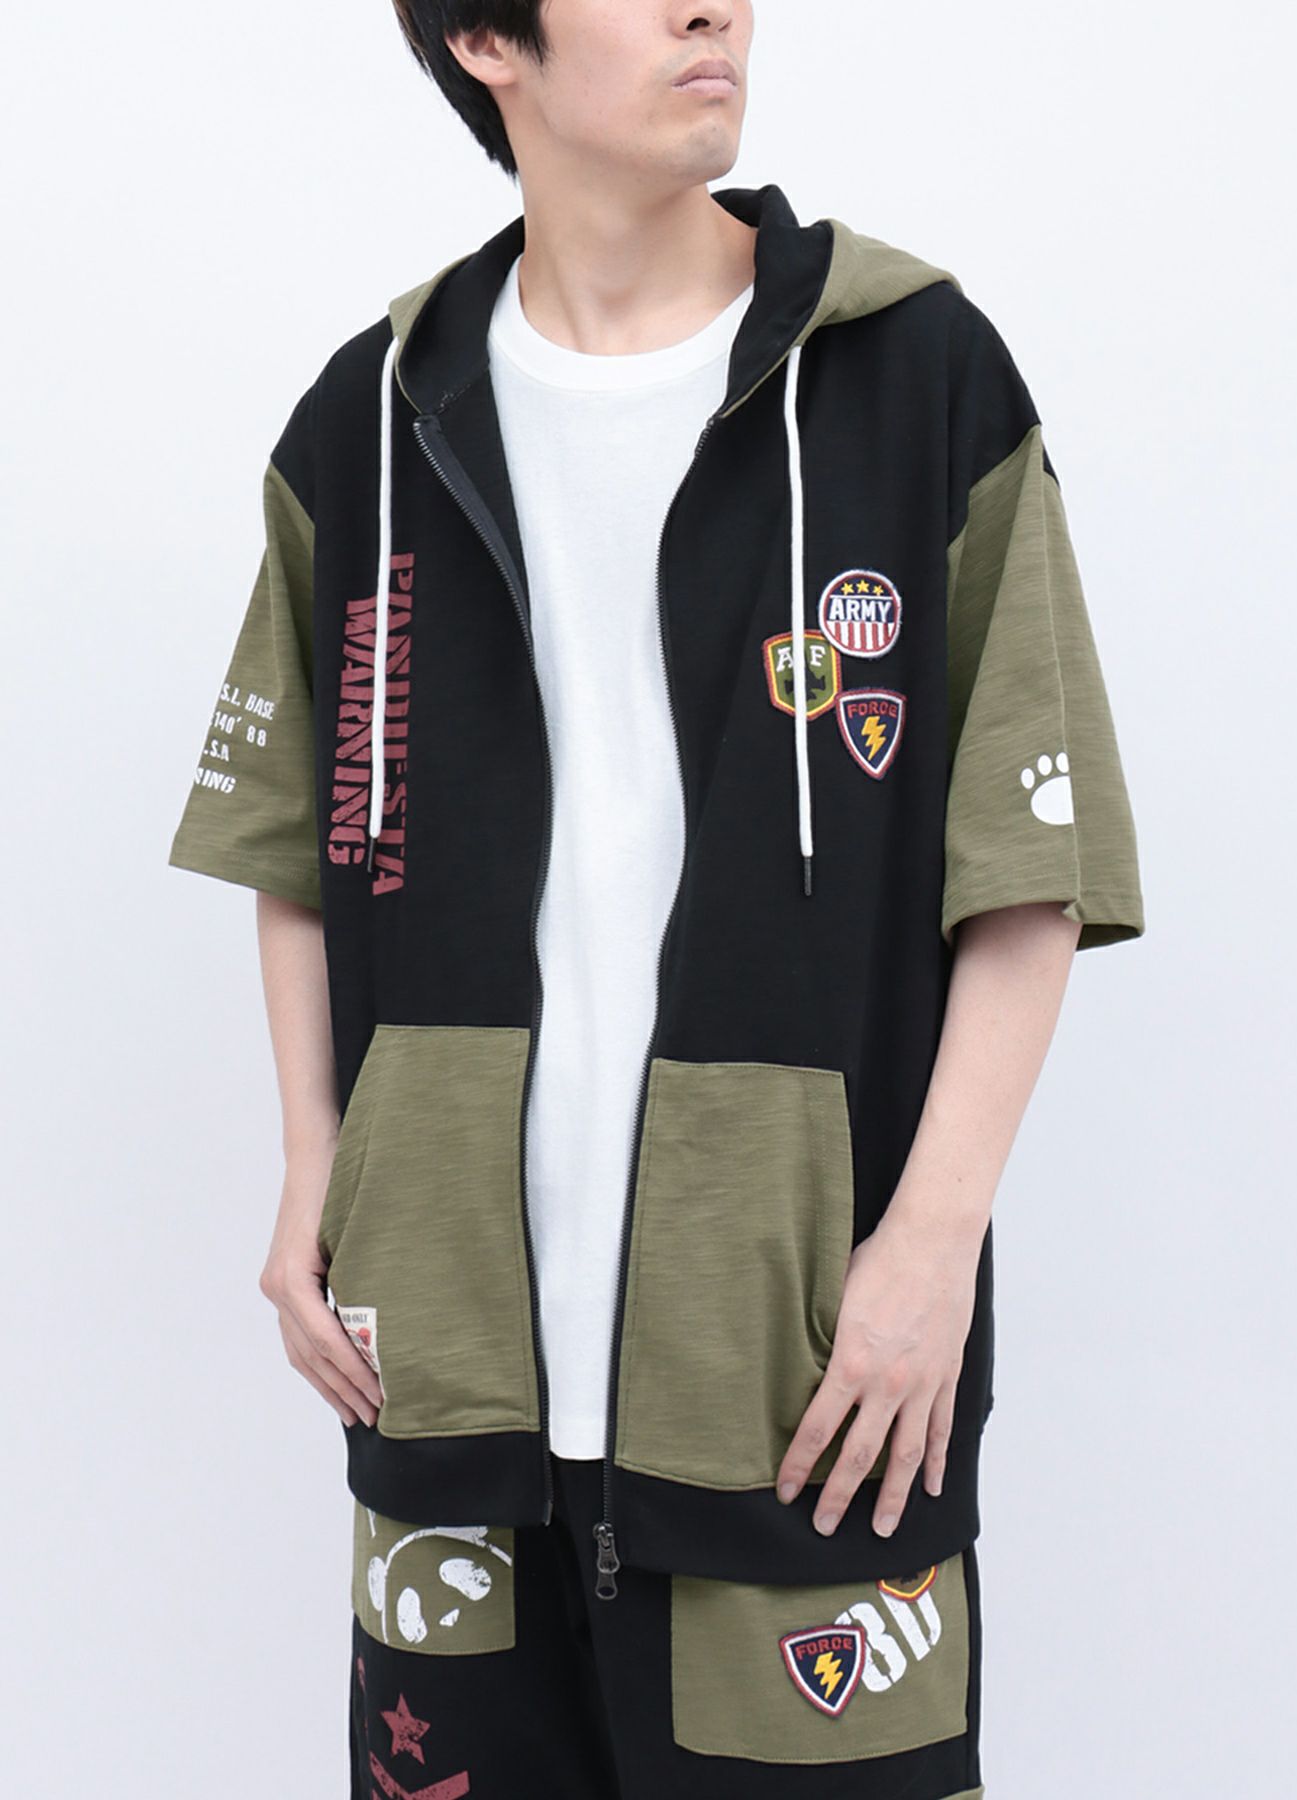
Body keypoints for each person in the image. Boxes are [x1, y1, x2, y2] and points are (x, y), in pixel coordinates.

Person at [166, 2, 1145, 1793]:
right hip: (445, 1364)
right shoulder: (372, 416)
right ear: (489, 41)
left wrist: (926, 1253)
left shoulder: (913, 374)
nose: (715, 7)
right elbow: (298, 844)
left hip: (802, 1366)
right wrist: (314, 1167)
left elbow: (1029, 868)